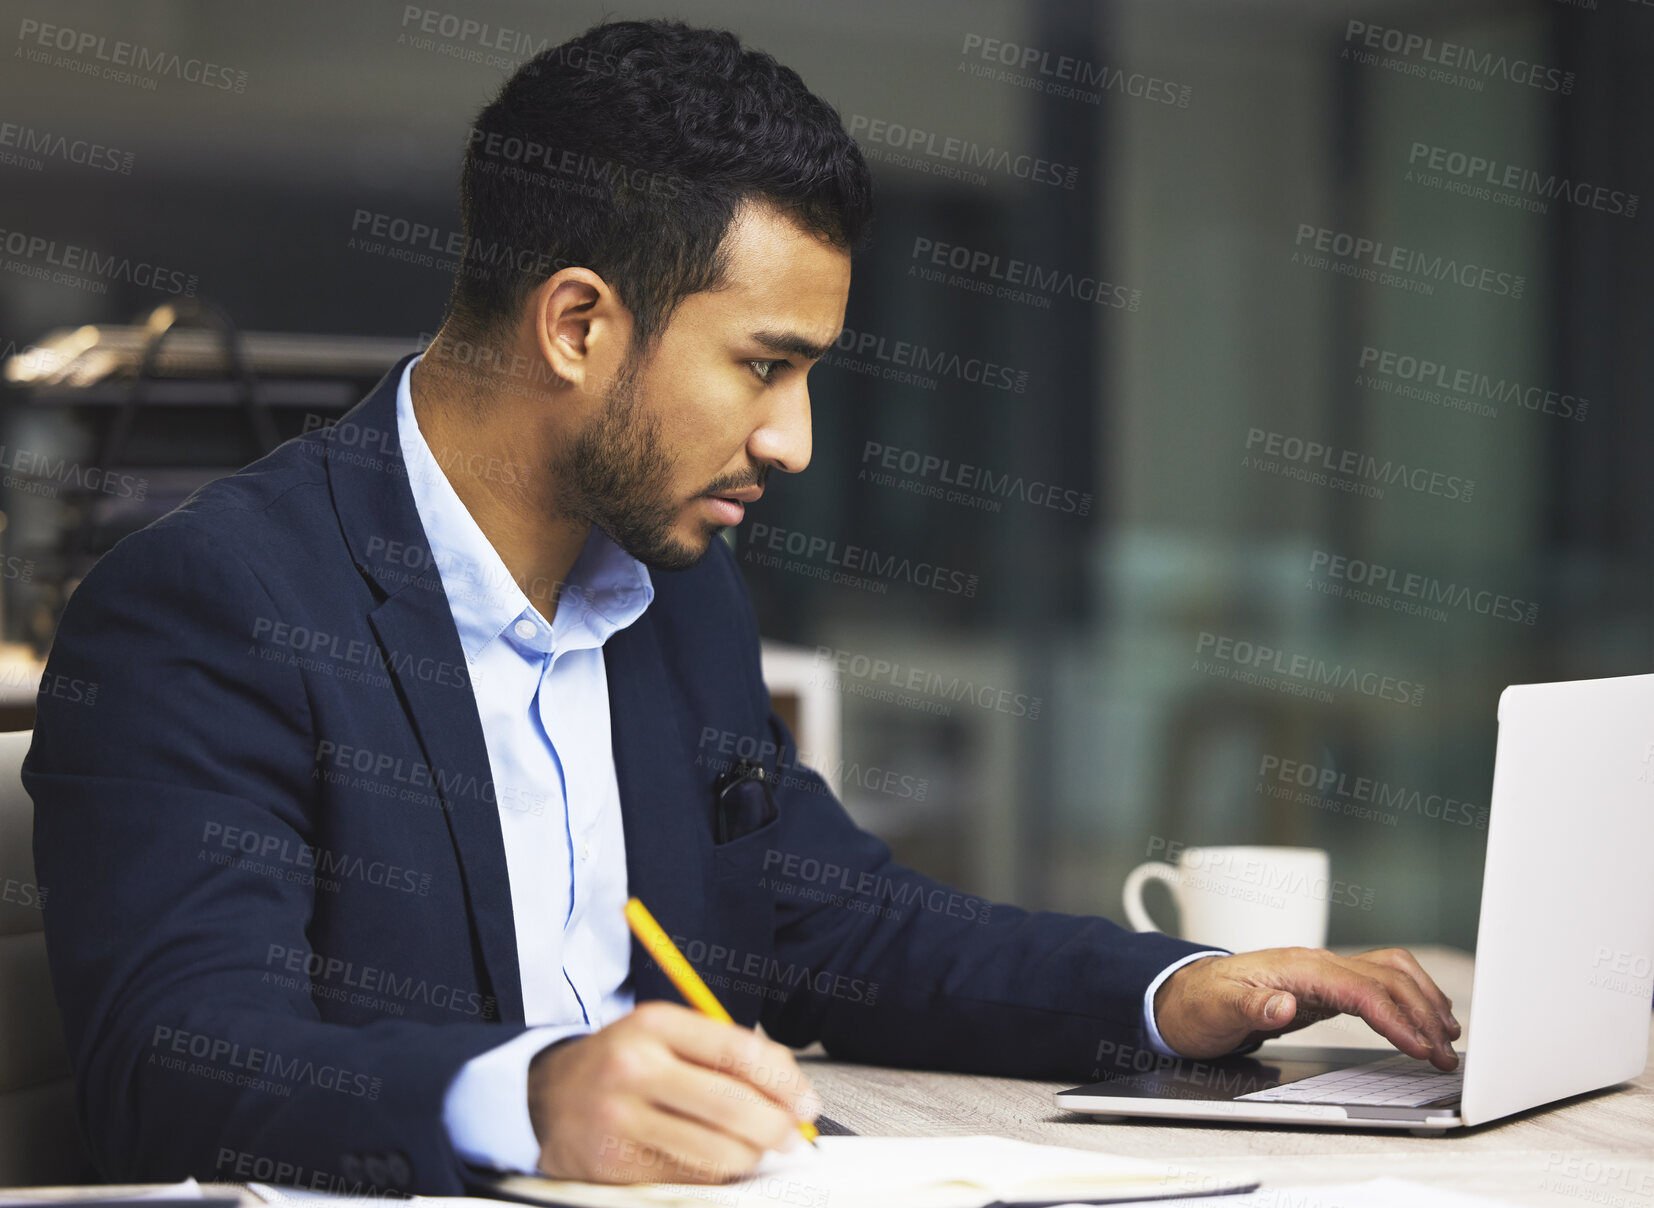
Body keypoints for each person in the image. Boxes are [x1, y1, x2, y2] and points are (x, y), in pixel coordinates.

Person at [25, 17, 1458, 1196]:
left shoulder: (665, 587)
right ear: (578, 324)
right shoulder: (211, 603)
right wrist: (530, 1100)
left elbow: (839, 925)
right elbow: (179, 1068)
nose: (795, 445)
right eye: (764, 367)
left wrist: (1181, 989)